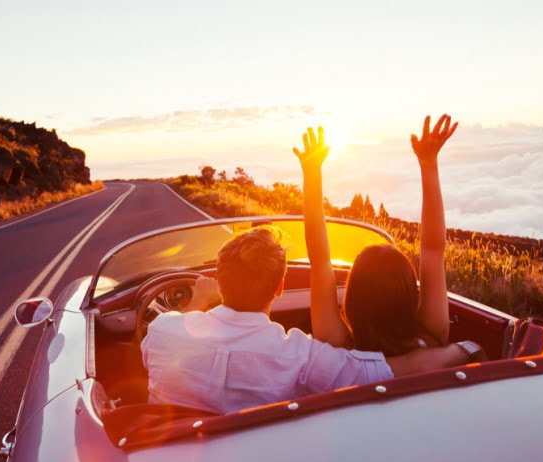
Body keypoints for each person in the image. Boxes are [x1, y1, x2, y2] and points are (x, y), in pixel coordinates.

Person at [142, 222, 474, 415]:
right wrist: (463, 350)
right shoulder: (300, 357)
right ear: (280, 287)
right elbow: (386, 370)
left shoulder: (160, 332)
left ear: (220, 279)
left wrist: (198, 302)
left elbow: (175, 331)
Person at [294, 116, 485, 363]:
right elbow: (432, 251)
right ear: (410, 299)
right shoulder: (433, 337)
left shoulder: (340, 353)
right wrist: (429, 164)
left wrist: (312, 172)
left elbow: (320, 261)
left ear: (352, 304)